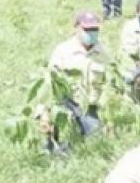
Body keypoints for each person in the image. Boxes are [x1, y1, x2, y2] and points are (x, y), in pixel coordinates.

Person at [36, 11, 106, 153]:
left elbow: (107, 83)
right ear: (77, 28)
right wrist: (43, 113)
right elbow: (49, 85)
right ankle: (52, 146)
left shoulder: (102, 52)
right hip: (67, 102)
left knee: (95, 137)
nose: (91, 33)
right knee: (58, 130)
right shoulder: (63, 51)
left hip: (89, 106)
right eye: (87, 29)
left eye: (95, 29)